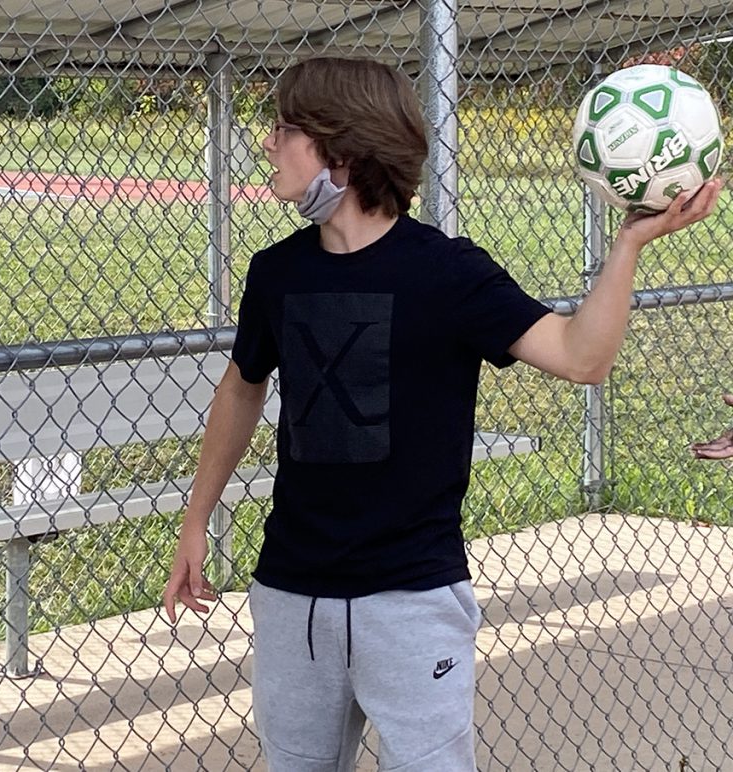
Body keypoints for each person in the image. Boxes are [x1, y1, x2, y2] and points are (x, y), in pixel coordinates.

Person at [162, 57, 721, 771]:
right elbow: (242, 388)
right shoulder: (276, 272)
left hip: (414, 597)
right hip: (293, 591)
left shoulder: (447, 272)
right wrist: (196, 519)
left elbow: (582, 357)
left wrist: (628, 244)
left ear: (341, 150)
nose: (268, 143)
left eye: (285, 129)